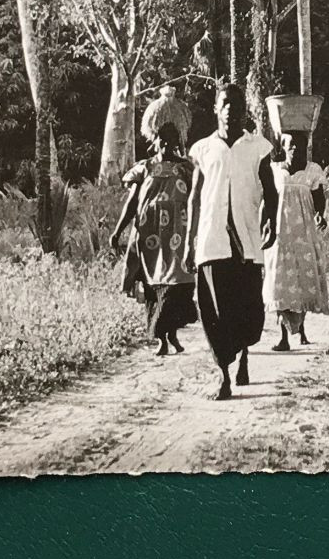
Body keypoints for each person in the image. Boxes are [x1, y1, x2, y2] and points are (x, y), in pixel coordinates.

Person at [186, 82, 277, 400]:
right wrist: (188, 242)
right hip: (211, 241)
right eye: (224, 103)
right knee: (214, 311)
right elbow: (195, 198)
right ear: (215, 108)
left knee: (247, 309)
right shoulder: (203, 149)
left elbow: (270, 189)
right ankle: (224, 375)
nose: (230, 109)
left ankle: (245, 355)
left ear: (244, 110)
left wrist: (271, 222)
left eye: (236, 104)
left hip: (246, 241)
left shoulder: (258, 147)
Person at [108, 89, 197, 357]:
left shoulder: (187, 168)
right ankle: (161, 338)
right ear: (155, 141)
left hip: (179, 237)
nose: (168, 145)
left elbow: (199, 199)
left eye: (172, 140)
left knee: (177, 284)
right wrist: (117, 232)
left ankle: (172, 333)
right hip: (150, 237)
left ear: (178, 141)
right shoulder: (144, 168)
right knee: (153, 286)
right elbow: (132, 203)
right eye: (163, 140)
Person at [264, 126, 329, 350]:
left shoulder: (312, 171)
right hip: (280, 235)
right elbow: (269, 201)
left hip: (303, 234)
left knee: (301, 280)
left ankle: (301, 329)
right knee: (280, 283)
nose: (295, 149)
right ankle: (283, 336)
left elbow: (319, 200)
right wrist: (265, 224)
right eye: (290, 144)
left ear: (306, 147)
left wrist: (321, 215)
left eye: (299, 145)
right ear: (283, 146)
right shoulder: (275, 170)